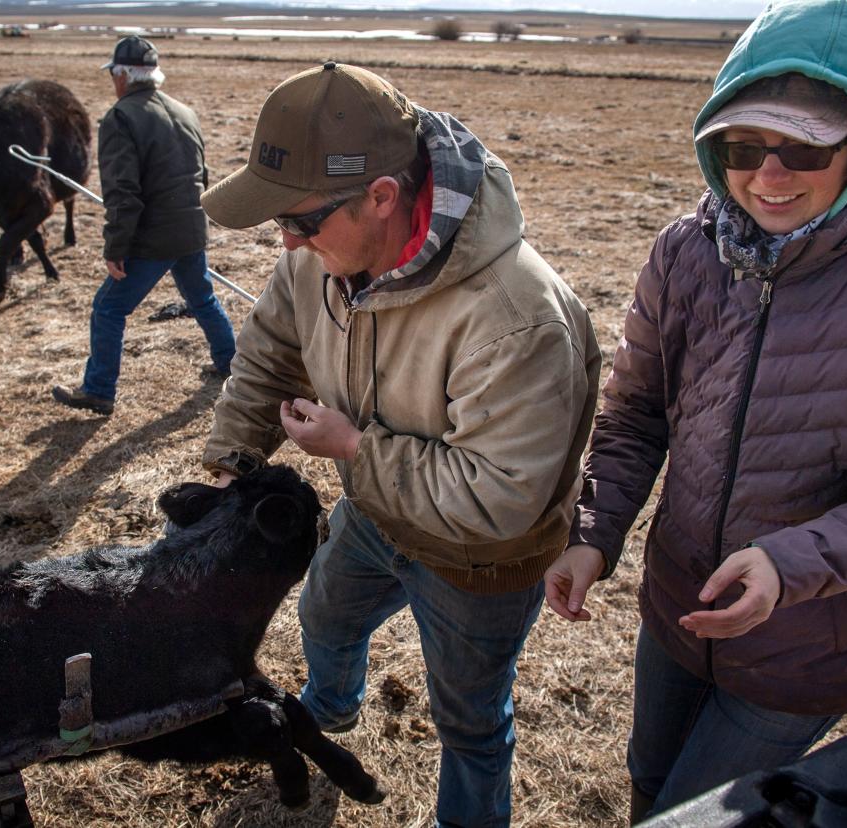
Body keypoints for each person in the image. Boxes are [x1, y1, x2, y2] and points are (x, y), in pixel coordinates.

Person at [543, 0, 847, 821]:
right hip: (678, 604)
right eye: (744, 145)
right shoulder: (686, 249)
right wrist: (593, 535)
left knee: (705, 814)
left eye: (805, 147)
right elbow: (636, 411)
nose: (768, 174)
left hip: (806, 644)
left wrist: (786, 565)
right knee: (648, 784)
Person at [198, 61, 601, 827]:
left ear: (382, 196)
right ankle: (329, 710)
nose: (285, 241)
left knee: (470, 722)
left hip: (479, 560)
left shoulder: (515, 314)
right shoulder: (316, 259)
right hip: (375, 515)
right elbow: (270, 352)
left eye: (302, 220)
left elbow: (498, 498)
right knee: (326, 616)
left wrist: (354, 449)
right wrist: (231, 462)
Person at [53, 35, 235, 416]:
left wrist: (116, 246)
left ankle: (99, 389)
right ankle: (232, 365)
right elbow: (202, 174)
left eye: (113, 75)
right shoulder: (185, 112)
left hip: (154, 237)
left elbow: (123, 191)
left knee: (108, 308)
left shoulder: (120, 118)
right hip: (191, 229)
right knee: (202, 300)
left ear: (122, 76)